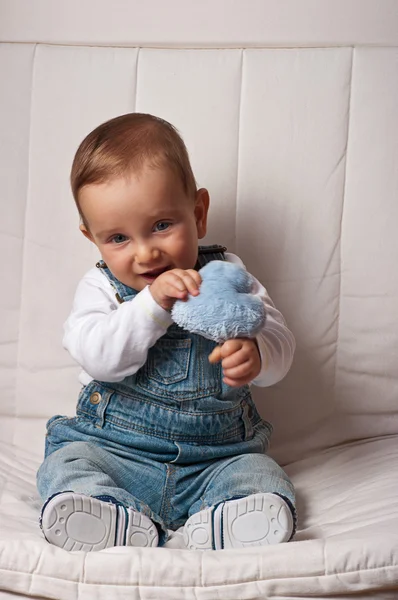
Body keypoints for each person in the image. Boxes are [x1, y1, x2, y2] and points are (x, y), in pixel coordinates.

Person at [36, 113, 297, 551]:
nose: (145, 252)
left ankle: (229, 517)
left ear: (198, 213)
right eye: (118, 238)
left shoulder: (228, 276)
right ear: (92, 238)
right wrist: (151, 305)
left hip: (216, 458)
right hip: (116, 452)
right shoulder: (101, 288)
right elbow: (100, 358)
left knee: (260, 475)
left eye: (161, 226)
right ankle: (106, 512)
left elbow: (281, 343)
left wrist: (258, 352)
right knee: (66, 464)